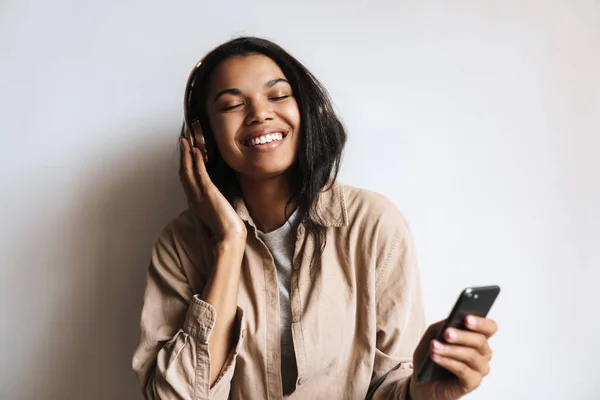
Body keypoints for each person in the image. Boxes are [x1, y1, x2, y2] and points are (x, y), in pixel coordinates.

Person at [132, 36, 498, 400]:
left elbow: (389, 383)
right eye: (232, 105)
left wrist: (421, 392)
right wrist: (229, 242)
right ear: (203, 137)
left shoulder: (374, 225)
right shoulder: (180, 244)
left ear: (307, 110)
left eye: (277, 96)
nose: (260, 113)